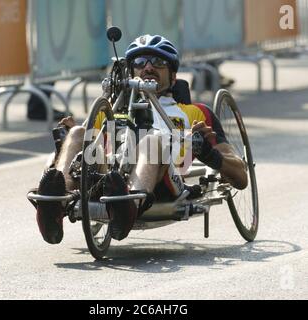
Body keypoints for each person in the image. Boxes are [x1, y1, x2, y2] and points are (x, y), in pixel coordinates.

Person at [34, 35, 247, 244]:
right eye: (139, 62)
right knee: (79, 132)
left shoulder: (197, 113)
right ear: (130, 71)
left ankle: (128, 205)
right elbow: (89, 150)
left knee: (152, 141)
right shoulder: (110, 109)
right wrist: (71, 140)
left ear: (173, 76)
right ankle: (55, 205)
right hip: (107, 177)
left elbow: (240, 176)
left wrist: (210, 153)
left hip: (166, 181)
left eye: (158, 61)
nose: (148, 67)